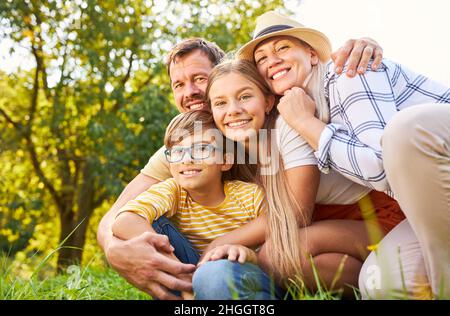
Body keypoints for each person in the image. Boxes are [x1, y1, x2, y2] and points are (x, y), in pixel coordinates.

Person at [97, 37, 385, 300]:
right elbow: (117, 216)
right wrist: (114, 249)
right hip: (266, 247)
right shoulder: (182, 151)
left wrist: (360, 47)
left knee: (276, 260)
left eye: (200, 78)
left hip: (334, 225)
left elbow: (296, 63)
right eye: (179, 84)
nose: (191, 92)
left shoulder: (274, 117)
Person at [236, 10, 450, 299]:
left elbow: (382, 168)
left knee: (403, 131)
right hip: (420, 204)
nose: (271, 60)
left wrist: (305, 123)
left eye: (282, 48)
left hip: (438, 163)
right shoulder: (284, 108)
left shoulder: (348, 72)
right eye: (261, 58)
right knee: (382, 285)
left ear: (312, 55)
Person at [192, 58, 405, 298]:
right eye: (220, 103)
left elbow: (296, 211)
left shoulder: (285, 128)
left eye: (244, 97)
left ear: (268, 102)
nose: (233, 110)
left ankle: (384, 282)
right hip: (321, 230)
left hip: (373, 217)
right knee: (286, 263)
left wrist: (218, 243)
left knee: (277, 256)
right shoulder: (229, 154)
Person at [112, 109, 280, 299]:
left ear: (225, 160)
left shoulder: (249, 195)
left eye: (201, 149)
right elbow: (124, 221)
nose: (187, 159)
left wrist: (248, 255)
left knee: (215, 277)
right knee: (149, 223)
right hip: (189, 272)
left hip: (237, 270)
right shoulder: (173, 190)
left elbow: (278, 232)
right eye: (177, 152)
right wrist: (176, 270)